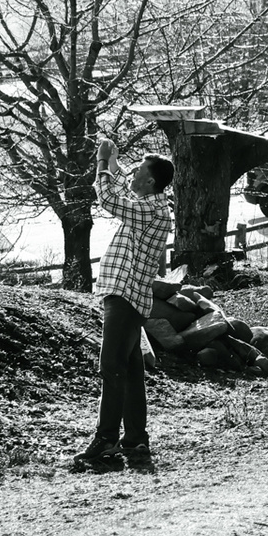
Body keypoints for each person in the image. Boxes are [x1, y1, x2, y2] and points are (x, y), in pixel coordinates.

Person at [73, 137, 175, 472]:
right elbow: (123, 192)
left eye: (137, 172)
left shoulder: (152, 210)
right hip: (128, 296)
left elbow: (110, 201)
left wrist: (102, 164)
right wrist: (113, 162)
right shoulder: (152, 204)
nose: (131, 174)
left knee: (112, 367)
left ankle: (106, 440)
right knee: (130, 373)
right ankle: (134, 438)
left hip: (125, 296)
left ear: (150, 181)